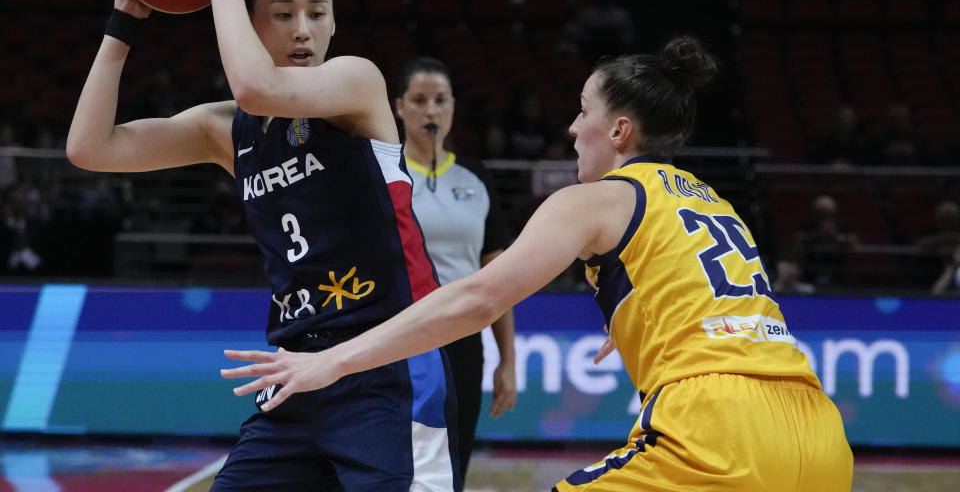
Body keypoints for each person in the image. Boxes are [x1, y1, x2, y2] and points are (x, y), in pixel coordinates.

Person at [222, 36, 853, 491]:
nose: (573, 128)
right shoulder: (714, 204)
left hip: (720, 432)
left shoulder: (594, 199)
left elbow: (476, 300)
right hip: (821, 438)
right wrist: (633, 325)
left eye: (585, 111)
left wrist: (331, 361)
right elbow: (716, 302)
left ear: (621, 131)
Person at [66, 0, 461, 492]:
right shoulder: (225, 129)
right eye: (281, 14)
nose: (303, 30)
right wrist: (124, 22)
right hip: (292, 372)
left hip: (387, 362)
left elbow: (256, 87)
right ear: (247, 22)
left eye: (317, 12)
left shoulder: (357, 83)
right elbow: (89, 148)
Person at [394, 56, 517, 480]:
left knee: (452, 465)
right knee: (393, 463)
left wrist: (508, 361)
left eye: (440, 100)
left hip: (462, 341)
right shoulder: (382, 175)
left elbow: (496, 275)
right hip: (396, 340)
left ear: (453, 107)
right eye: (419, 100)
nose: (431, 111)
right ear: (398, 107)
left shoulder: (476, 176)